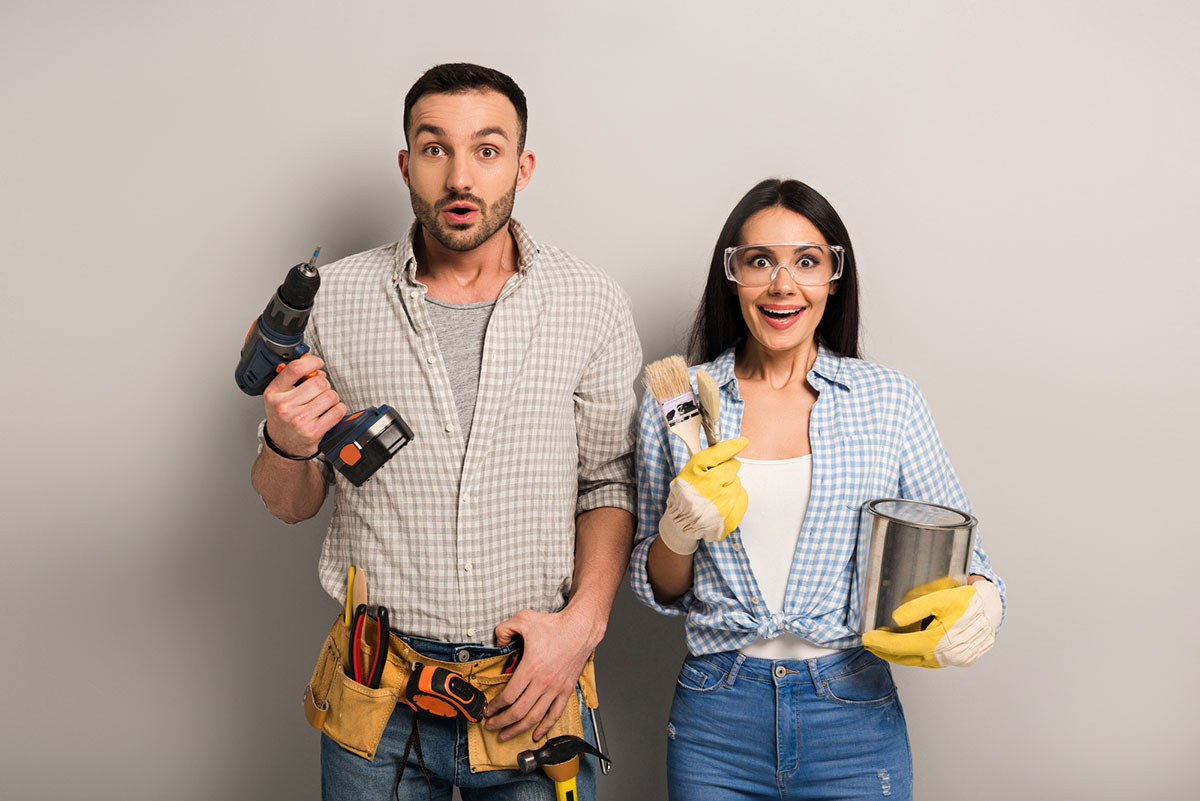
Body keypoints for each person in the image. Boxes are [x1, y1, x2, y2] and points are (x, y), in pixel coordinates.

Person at [251, 63, 640, 800]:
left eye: (487, 150)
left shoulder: (590, 301)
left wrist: (580, 629)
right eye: (435, 149)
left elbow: (608, 481)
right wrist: (285, 438)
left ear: (523, 165)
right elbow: (289, 501)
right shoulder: (332, 301)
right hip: (377, 698)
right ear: (406, 164)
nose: (460, 177)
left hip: (534, 685)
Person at [629, 178, 1005, 800]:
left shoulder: (889, 401)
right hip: (716, 718)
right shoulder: (677, 400)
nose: (783, 284)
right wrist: (677, 530)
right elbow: (660, 586)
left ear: (834, 277)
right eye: (759, 262)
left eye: (807, 261)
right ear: (733, 276)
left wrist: (983, 602)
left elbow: (970, 560)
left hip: (853, 712)